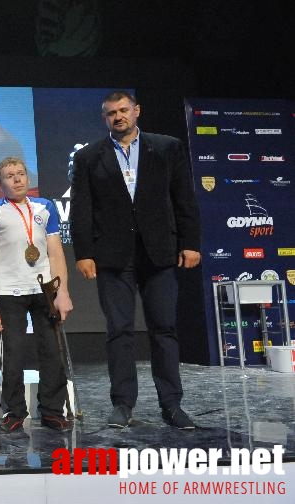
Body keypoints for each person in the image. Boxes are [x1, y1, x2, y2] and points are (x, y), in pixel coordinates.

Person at [69, 91, 201, 430]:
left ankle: (172, 405)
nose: (118, 117)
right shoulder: (89, 157)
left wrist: (190, 243)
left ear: (137, 111)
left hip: (159, 253)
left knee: (164, 329)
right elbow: (81, 210)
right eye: (111, 113)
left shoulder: (167, 147)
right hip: (112, 255)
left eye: (124, 110)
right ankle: (123, 404)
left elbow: (183, 198)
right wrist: (83, 253)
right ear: (105, 118)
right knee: (119, 331)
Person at [0, 156, 74, 432]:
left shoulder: (45, 207)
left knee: (52, 351)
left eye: (20, 173)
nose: (17, 179)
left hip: (45, 289)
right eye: (10, 175)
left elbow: (55, 252)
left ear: (28, 178)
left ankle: (52, 410)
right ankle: (14, 411)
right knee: (14, 353)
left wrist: (62, 291)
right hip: (9, 292)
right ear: (0, 183)